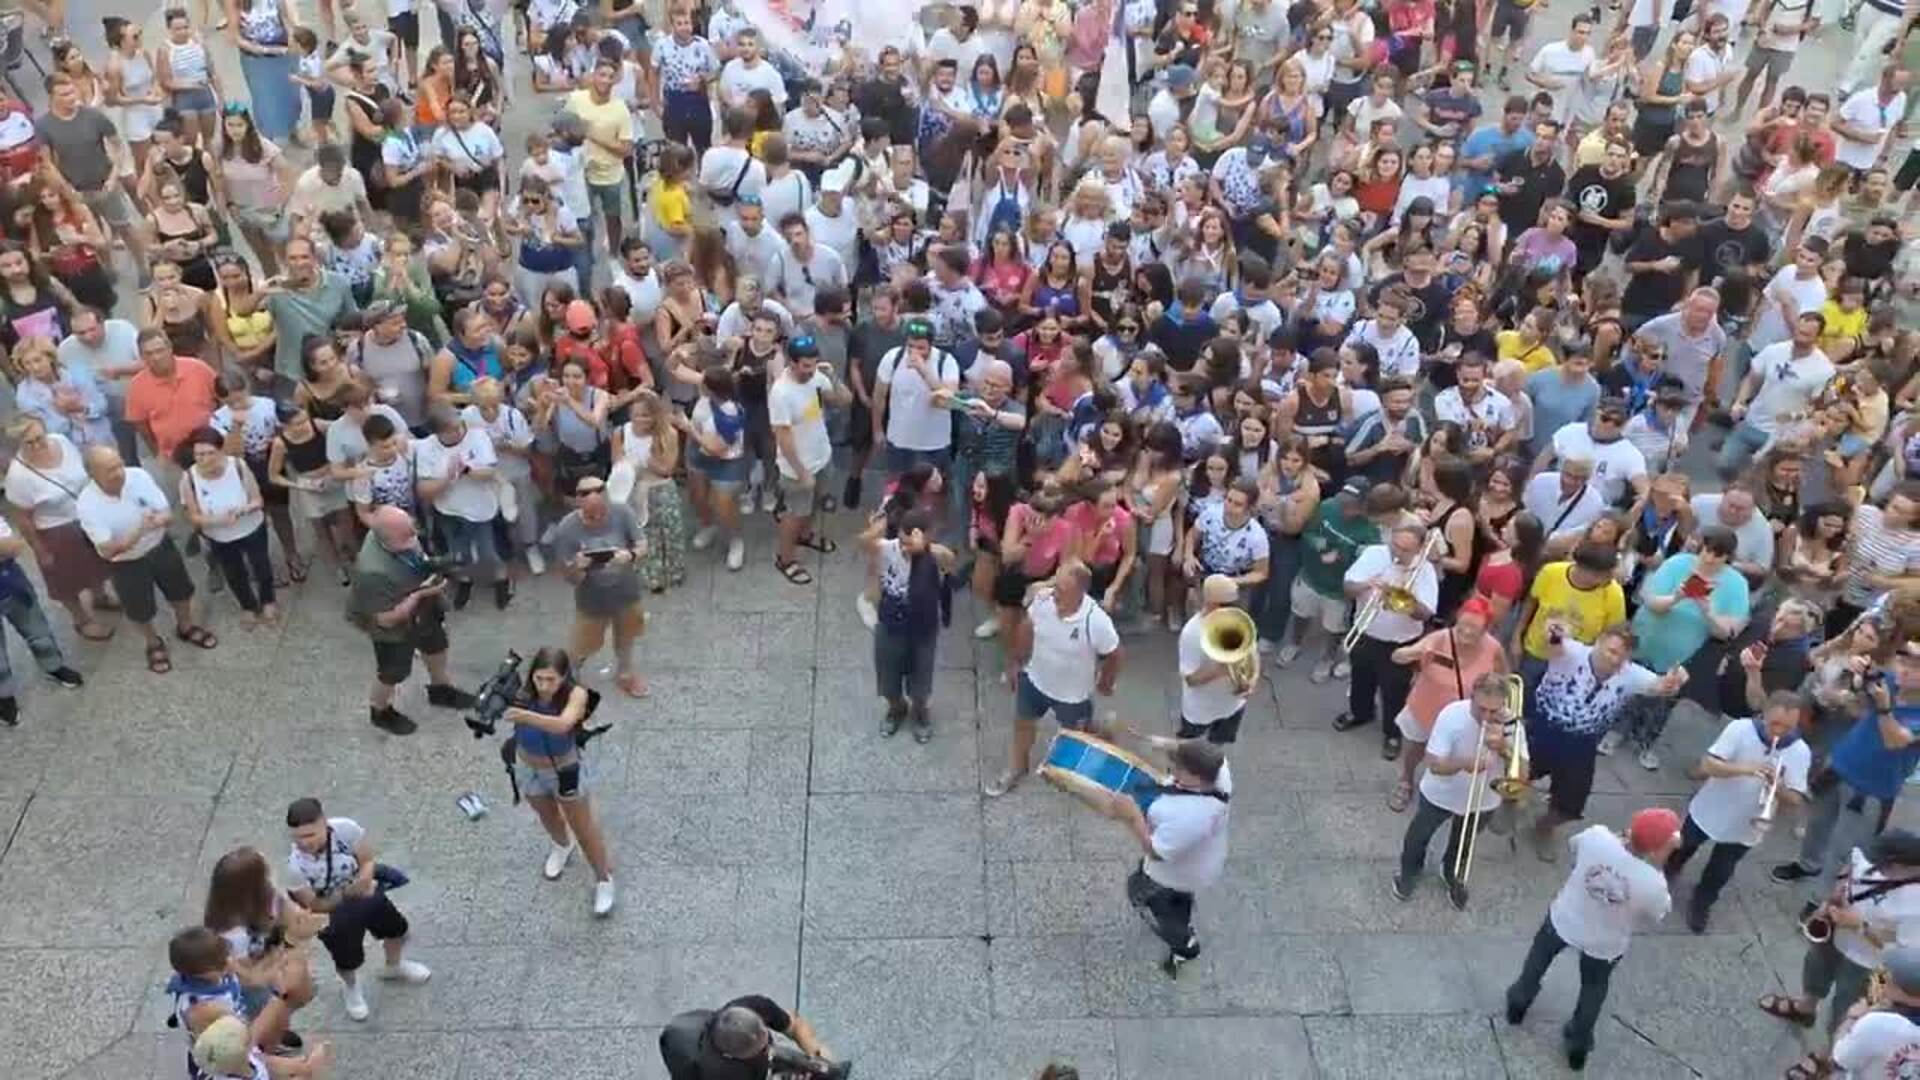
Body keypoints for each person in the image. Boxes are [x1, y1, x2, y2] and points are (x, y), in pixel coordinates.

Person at [1504, 807, 1680, 1072]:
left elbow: (1575, 850)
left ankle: (1518, 1002)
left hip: (1566, 919)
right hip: (1605, 943)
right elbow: (1657, 914)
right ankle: (1578, 1043)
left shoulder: (1597, 837)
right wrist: (1658, 862)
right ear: (1659, 849)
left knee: (1538, 960)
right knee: (1594, 988)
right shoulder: (1653, 883)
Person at [1763, 830, 1920, 1079]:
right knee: (1815, 967)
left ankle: (1828, 1055)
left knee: (1846, 1009)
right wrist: (1836, 895)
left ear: (1906, 867)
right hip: (1834, 935)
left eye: (1886, 867)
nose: (1876, 868)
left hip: (1872, 965)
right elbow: (1851, 866)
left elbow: (1903, 953)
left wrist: (1860, 925)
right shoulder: (1874, 856)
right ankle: (1805, 1007)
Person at [1666, 691, 1812, 933]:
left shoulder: (1800, 751)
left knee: (1722, 868)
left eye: (1787, 727)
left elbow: (1795, 798)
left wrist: (1778, 787)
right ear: (1764, 714)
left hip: (1747, 823)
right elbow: (1709, 764)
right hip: (1711, 806)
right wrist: (1747, 768)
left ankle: (1703, 901)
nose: (1779, 731)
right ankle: (1669, 869)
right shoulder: (1741, 729)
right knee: (1684, 844)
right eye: (1774, 723)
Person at [283, 797, 433, 1021]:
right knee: (347, 958)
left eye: (310, 835)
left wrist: (364, 879)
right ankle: (351, 988)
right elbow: (314, 905)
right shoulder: (295, 867)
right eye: (298, 838)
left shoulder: (345, 829)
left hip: (365, 893)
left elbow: (367, 859)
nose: (304, 843)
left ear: (324, 823)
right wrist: (348, 893)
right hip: (333, 913)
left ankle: (394, 966)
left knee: (397, 930)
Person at [985, 559, 1123, 796]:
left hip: (1072, 695)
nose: (1053, 592)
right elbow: (1027, 628)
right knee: (1023, 724)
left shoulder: (1095, 621)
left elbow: (1115, 653)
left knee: (1074, 736)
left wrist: (1105, 681)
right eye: (1055, 584)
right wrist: (1015, 663)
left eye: (1061, 589)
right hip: (1036, 679)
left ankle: (1097, 736)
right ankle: (1017, 768)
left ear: (1080, 593)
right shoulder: (1043, 600)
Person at [500, 647, 619, 916]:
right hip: (527, 765)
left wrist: (525, 715)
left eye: (551, 679)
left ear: (564, 677)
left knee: (583, 826)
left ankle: (603, 878)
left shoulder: (576, 694)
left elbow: (563, 724)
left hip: (564, 769)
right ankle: (562, 845)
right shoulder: (523, 692)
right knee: (546, 815)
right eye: (539, 678)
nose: (543, 686)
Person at [76, 445, 213, 676]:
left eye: (119, 464)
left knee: (180, 590)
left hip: (159, 546)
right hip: (125, 563)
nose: (119, 472)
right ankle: (152, 642)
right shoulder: (87, 504)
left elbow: (167, 514)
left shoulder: (137, 476)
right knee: (139, 608)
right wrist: (140, 530)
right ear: (93, 475)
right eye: (110, 470)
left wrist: (154, 523)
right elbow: (108, 550)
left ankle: (185, 626)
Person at [1103, 738, 1232, 978]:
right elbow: (1198, 750)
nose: (1172, 771)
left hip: (1170, 875)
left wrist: (1132, 817)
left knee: (1143, 896)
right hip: (1198, 864)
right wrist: (1166, 744)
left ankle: (1184, 945)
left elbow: (1155, 852)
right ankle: (1181, 915)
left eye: (1178, 769)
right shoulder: (1218, 768)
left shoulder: (1187, 817)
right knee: (1178, 900)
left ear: (1195, 776)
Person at [345, 504, 479, 735]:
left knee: (436, 643)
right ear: (384, 539)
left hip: (420, 602)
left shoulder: (397, 533)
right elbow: (386, 620)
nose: (414, 539)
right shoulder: (371, 572)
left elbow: (417, 556)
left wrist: (432, 568)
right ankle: (380, 709)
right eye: (406, 538)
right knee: (393, 671)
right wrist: (420, 594)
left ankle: (441, 689)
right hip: (391, 616)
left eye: (412, 532)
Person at [1392, 673, 1516, 910]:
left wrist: (1504, 747)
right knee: (1419, 835)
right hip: (1441, 794)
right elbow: (1434, 764)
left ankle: (1451, 872)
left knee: (1465, 840)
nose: (1487, 717)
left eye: (1494, 710)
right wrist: (1463, 764)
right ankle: (1409, 872)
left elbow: (1523, 771)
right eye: (1481, 709)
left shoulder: (1511, 723)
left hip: (1484, 799)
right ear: (1471, 699)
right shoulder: (1452, 714)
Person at [1336, 522, 1440, 759]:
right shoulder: (1374, 554)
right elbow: (1347, 587)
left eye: (1405, 549)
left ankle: (1392, 733)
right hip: (1365, 631)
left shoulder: (1425, 570)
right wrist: (1367, 584)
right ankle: (1360, 713)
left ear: (1419, 549)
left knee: (1395, 689)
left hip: (1400, 642)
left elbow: (1426, 614)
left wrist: (1406, 601)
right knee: (1361, 677)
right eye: (1395, 545)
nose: (1397, 553)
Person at [546, 477, 649, 699]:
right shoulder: (567, 528)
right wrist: (578, 567)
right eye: (591, 516)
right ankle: (571, 674)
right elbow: (569, 577)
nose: (598, 518)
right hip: (591, 599)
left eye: (602, 513)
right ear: (578, 505)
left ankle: (625, 673)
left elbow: (642, 545)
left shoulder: (622, 513)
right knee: (583, 644)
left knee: (627, 634)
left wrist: (629, 555)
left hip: (626, 592)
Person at [861, 507, 958, 742]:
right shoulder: (887, 549)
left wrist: (923, 549)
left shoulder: (934, 554)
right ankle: (896, 708)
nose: (905, 548)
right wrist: (876, 528)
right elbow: (864, 543)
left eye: (909, 542)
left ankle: (920, 712)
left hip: (923, 627)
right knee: (887, 676)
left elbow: (950, 561)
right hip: (890, 623)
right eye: (903, 542)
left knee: (921, 679)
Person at [768, 335, 851, 584]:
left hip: (821, 455)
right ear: (792, 363)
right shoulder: (781, 392)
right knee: (794, 514)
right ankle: (785, 558)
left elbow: (845, 400)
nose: (811, 370)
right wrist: (801, 472)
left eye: (814, 364)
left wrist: (833, 377)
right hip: (797, 467)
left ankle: (805, 535)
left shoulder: (816, 377)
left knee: (813, 505)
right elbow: (782, 436)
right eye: (805, 365)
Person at [659, 996, 852, 1079]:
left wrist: (814, 1051)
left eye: (766, 1038)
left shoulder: (750, 1007)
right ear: (731, 1056)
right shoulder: (718, 1072)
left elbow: (794, 1025)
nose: (768, 1048)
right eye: (761, 1050)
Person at [1178, 574, 1254, 745]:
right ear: (1212, 603)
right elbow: (1191, 679)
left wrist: (1251, 682)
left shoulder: (1238, 621)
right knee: (1190, 754)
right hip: (1200, 710)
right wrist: (1222, 669)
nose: (1235, 610)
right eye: (1228, 605)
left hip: (1233, 705)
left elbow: (1252, 655)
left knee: (1218, 746)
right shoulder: (1192, 633)